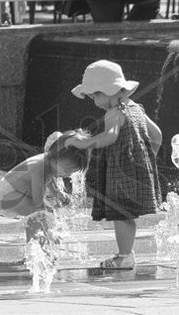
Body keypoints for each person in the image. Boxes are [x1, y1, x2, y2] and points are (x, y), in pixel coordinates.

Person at [65, 60, 162, 270]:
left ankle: (125, 256)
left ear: (110, 90)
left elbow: (110, 136)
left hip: (121, 170)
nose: (94, 101)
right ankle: (126, 253)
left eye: (96, 95)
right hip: (136, 168)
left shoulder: (113, 113)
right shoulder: (136, 108)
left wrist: (85, 143)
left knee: (121, 213)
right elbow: (157, 136)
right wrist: (147, 160)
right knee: (125, 213)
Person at [0, 130, 90, 239]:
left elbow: (49, 178)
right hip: (5, 197)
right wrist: (48, 230)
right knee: (37, 214)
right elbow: (38, 202)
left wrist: (56, 192)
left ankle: (39, 247)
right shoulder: (39, 168)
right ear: (55, 156)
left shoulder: (49, 162)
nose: (68, 175)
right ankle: (39, 244)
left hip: (16, 195)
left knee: (47, 212)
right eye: (67, 170)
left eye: (71, 172)